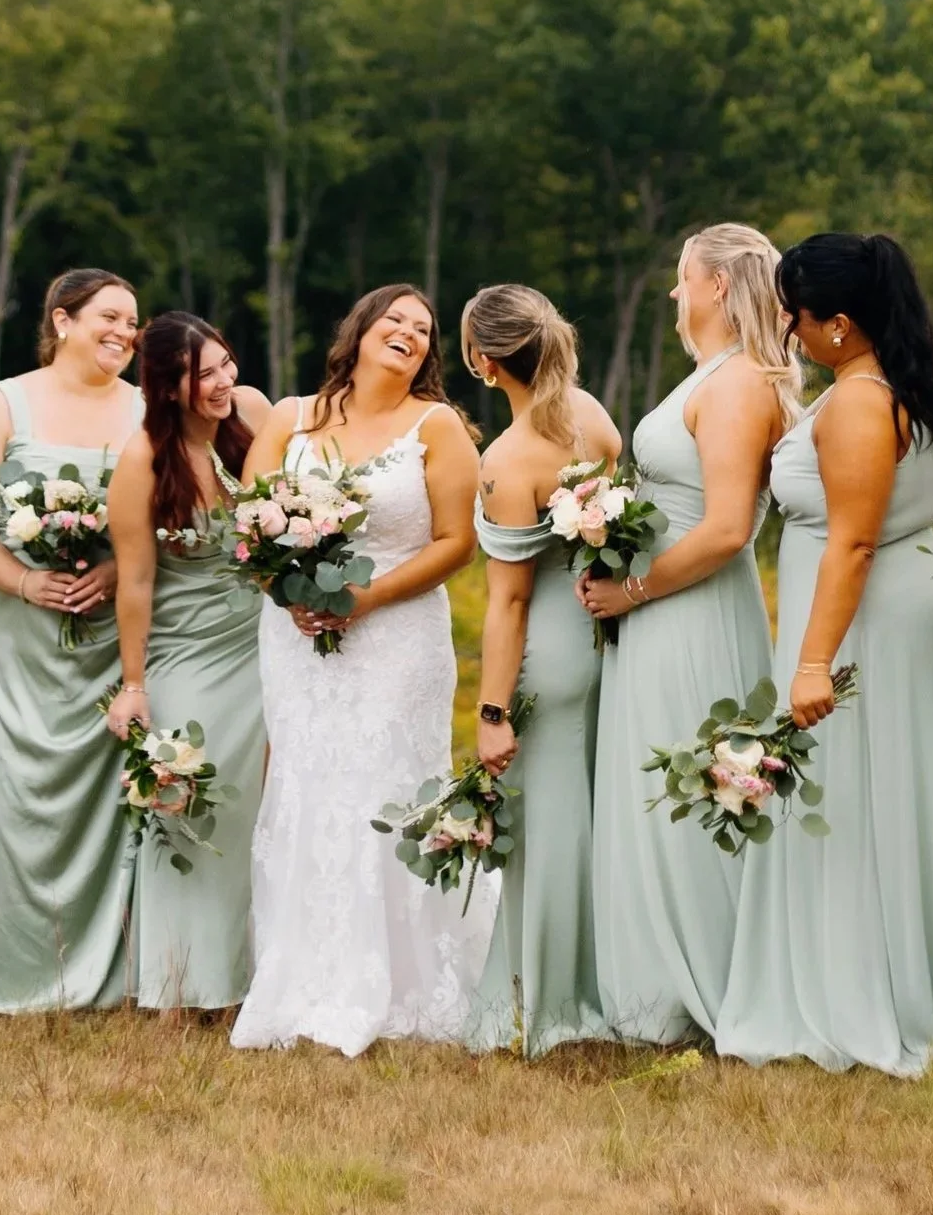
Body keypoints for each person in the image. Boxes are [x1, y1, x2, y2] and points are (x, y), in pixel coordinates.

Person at [716, 234, 933, 1074]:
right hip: (909, 617)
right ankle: (914, 976)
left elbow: (854, 542)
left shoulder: (860, 402)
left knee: (857, 805)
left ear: (838, 323)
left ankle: (864, 994)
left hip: (862, 625)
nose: (789, 335)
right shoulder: (921, 377)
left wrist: (809, 665)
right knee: (902, 799)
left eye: (795, 319)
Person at [230, 285, 490, 1056]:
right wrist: (288, 593)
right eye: (395, 320)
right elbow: (250, 525)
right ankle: (300, 978)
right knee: (306, 787)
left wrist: (365, 598)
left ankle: (403, 983)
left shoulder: (436, 427)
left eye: (422, 328)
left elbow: (455, 542)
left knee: (386, 787)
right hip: (296, 638)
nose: (408, 332)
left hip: (397, 636)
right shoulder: (290, 417)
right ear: (361, 330)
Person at [578, 224, 796, 1044]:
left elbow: (727, 528)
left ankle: (701, 985)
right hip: (660, 608)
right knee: (655, 784)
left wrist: (630, 589)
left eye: (679, 280)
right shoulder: (708, 376)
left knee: (691, 785)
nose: (672, 295)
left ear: (712, 285)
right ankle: (649, 990)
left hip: (694, 611)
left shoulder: (739, 382)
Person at [0, 269, 146, 1013]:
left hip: (109, 638)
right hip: (21, 632)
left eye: (133, 322)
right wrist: (25, 583)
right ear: (62, 320)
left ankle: (109, 969)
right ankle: (4, 965)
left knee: (111, 796)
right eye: (109, 317)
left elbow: (168, 521)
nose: (124, 332)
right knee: (16, 792)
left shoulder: (146, 411)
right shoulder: (2, 403)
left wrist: (120, 568)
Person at [459, 285, 623, 1056]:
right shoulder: (589, 416)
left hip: (548, 662)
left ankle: (541, 1002)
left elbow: (507, 606)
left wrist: (491, 715)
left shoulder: (504, 460)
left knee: (546, 840)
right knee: (591, 825)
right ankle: (599, 984)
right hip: (603, 641)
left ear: (484, 363)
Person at [106, 312, 272, 1011]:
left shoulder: (255, 416)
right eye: (203, 373)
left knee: (263, 813)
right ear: (168, 385)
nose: (222, 382)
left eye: (226, 363)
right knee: (193, 805)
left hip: (263, 643)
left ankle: (260, 978)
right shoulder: (143, 457)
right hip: (188, 655)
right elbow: (136, 581)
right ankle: (185, 982)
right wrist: (134, 685)